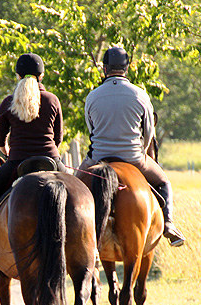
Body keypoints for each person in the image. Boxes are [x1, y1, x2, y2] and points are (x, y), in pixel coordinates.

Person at [76, 46, 185, 247]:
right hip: (133, 157)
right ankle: (169, 224)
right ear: (127, 68)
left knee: (74, 186)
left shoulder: (92, 96)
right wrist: (141, 152)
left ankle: (69, 225)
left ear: (105, 68)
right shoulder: (140, 94)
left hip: (98, 157)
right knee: (163, 181)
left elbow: (92, 129)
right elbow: (148, 132)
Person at [0, 52, 66, 264]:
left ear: (18, 75)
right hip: (51, 161)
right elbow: (58, 138)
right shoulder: (52, 99)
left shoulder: (9, 102)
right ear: (42, 75)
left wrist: (7, 151)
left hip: (17, 164)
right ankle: (92, 245)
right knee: (82, 193)